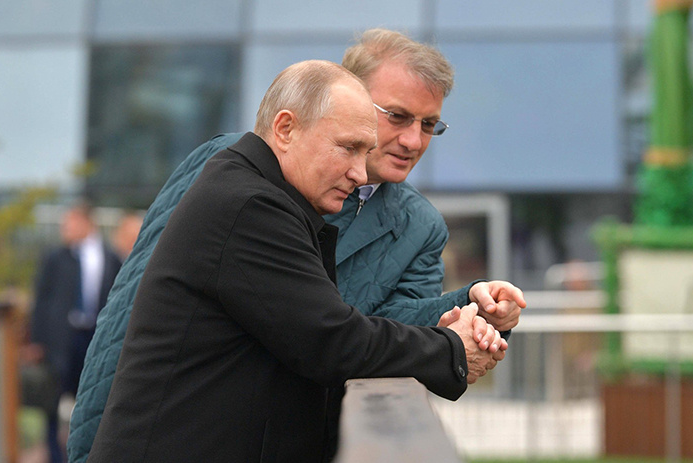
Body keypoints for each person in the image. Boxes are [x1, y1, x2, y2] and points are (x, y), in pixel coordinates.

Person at [68, 28, 525, 462]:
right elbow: (133, 312)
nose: (412, 140)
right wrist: (92, 442)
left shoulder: (420, 227)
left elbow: (379, 326)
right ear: (346, 96)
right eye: (397, 116)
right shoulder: (238, 181)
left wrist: (471, 309)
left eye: (429, 125)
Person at [28, 201, 122, 463]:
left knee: (94, 398)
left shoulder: (111, 257)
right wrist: (37, 340)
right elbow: (41, 300)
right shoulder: (55, 258)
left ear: (86, 223)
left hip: (94, 338)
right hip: (61, 341)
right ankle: (55, 456)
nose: (64, 229)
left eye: (69, 224)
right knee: (52, 401)